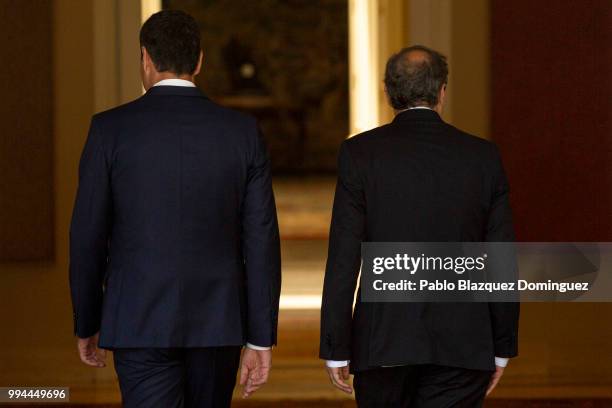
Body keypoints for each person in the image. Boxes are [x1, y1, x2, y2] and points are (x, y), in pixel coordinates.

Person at [69, 10, 281, 408]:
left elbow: (87, 236)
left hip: (137, 320)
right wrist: (259, 336)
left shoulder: (109, 130)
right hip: (219, 322)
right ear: (199, 60)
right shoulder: (242, 132)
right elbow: (261, 238)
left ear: (145, 58)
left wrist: (88, 319)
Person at [320, 45, 519, 407]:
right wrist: (502, 344)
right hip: (463, 343)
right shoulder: (483, 157)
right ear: (442, 90)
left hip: (382, 343)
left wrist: (336, 345)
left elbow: (343, 257)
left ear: (388, 93)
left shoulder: (360, 154)